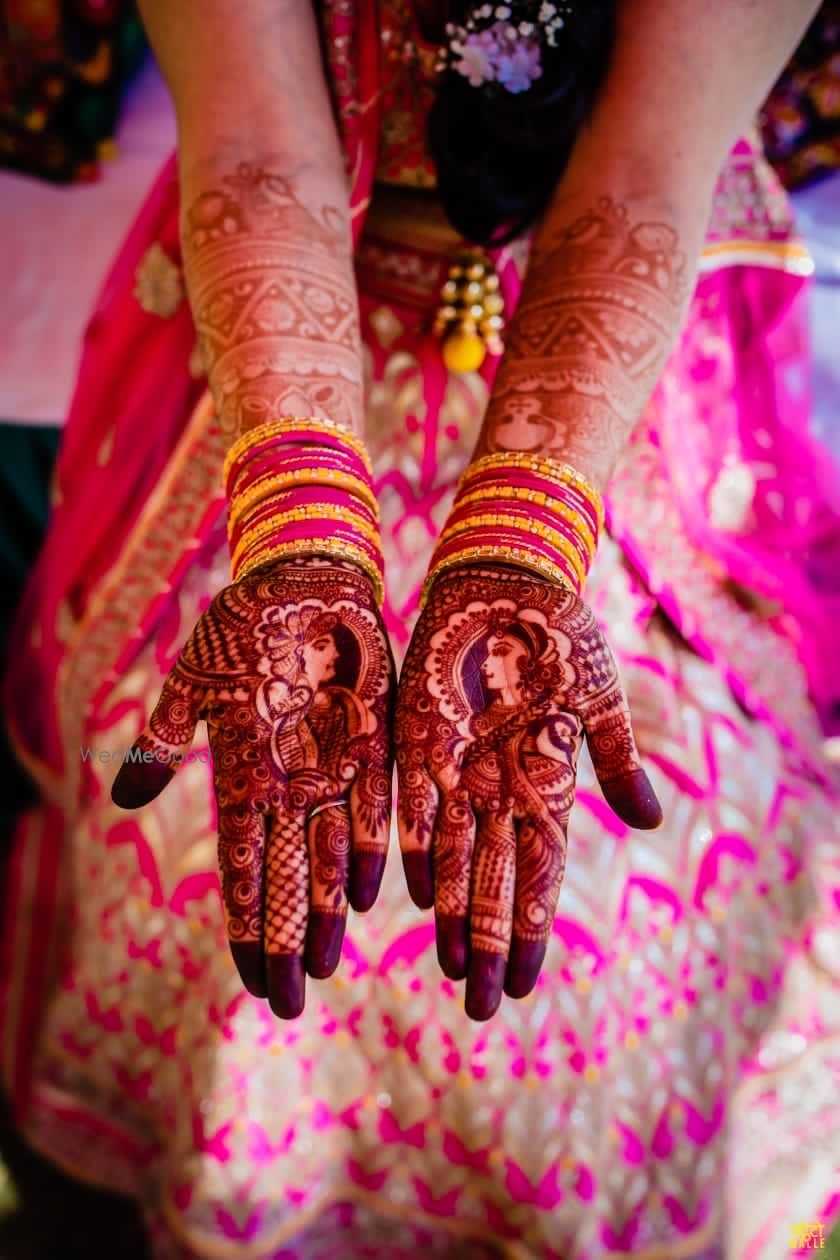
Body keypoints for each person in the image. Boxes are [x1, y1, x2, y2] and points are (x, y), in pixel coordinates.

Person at [2, 0, 839, 1256]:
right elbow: (257, 156)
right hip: (285, 339)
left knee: (638, 876)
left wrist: (517, 547)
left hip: (622, 391)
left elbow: (640, 185)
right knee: (191, 840)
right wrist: (297, 540)